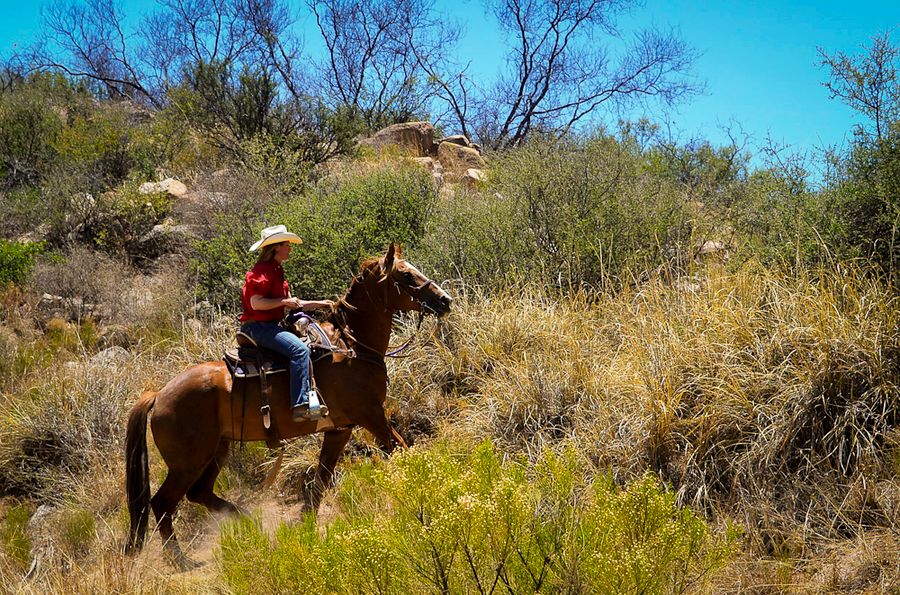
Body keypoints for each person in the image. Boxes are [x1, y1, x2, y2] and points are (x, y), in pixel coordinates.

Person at [240, 225, 333, 421]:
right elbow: (255, 303)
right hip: (257, 327)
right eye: (287, 244)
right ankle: (300, 405)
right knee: (299, 350)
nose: (290, 248)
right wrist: (283, 302)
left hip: (269, 326)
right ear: (276, 247)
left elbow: (295, 303)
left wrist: (323, 304)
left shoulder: (277, 271)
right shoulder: (262, 272)